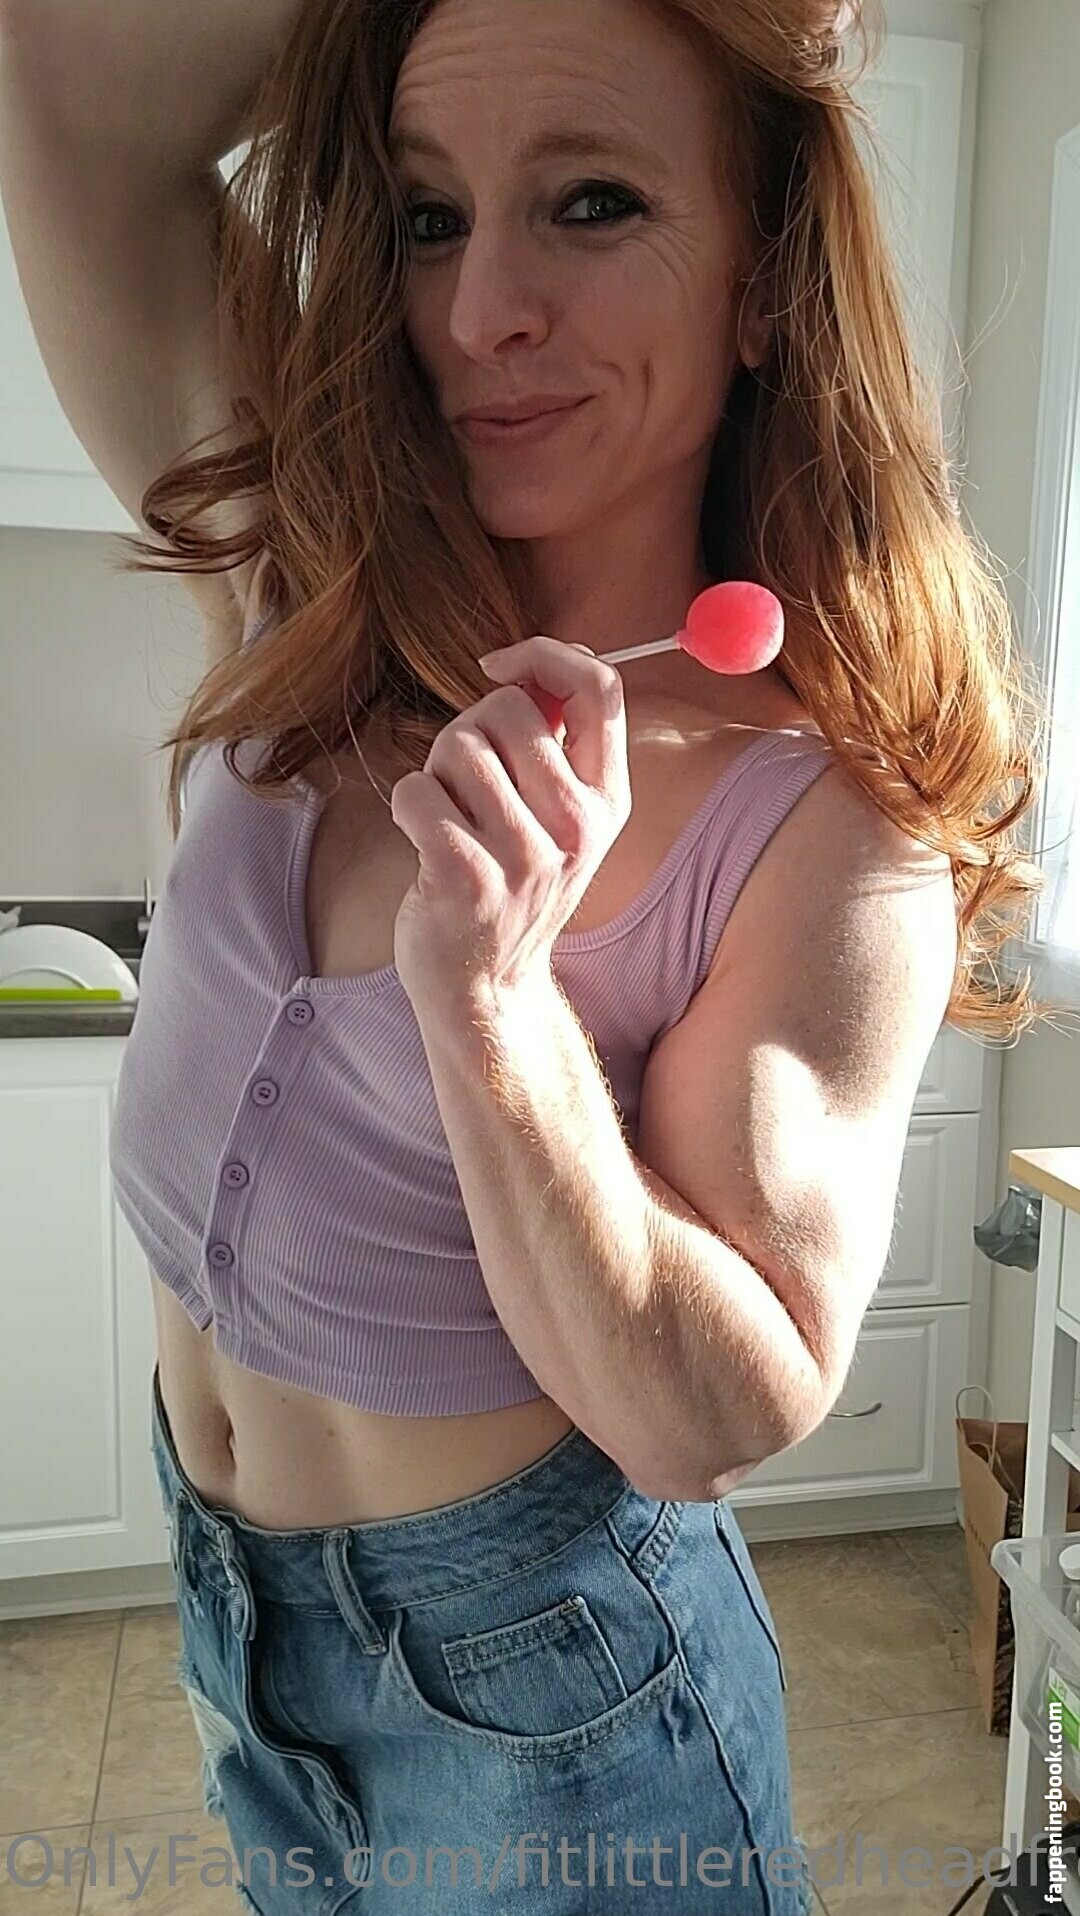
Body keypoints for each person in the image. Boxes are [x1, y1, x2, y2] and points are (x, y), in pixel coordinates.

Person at [0, 0, 1044, 1907]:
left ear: (762, 282)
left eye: (591, 202)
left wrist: (498, 1018)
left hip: (564, 1711)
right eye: (428, 216)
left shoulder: (826, 821)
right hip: (238, 1622)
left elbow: (712, 1417)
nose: (481, 310)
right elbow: (60, 77)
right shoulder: (303, 581)